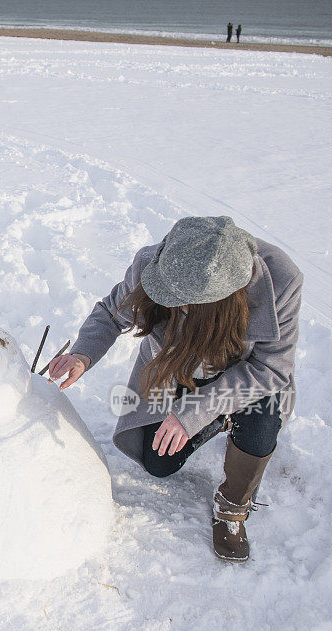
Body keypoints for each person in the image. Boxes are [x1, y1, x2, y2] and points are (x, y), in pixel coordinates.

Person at [49, 217, 302, 562]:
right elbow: (111, 312)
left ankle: (232, 507)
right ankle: (217, 419)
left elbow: (271, 368)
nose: (169, 305)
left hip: (247, 381)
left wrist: (195, 411)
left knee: (264, 415)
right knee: (159, 463)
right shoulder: (155, 263)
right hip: (178, 369)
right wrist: (82, 353)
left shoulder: (281, 282)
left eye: (178, 301)